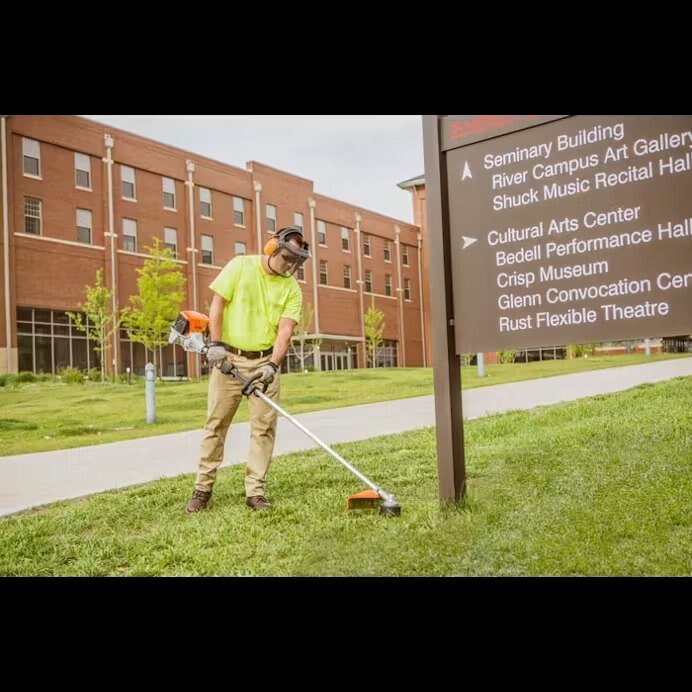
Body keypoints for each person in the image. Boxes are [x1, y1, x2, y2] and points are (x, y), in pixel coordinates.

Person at [186, 227, 309, 513]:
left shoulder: (292, 288)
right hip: (228, 355)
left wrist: (272, 367)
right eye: (287, 258)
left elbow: (285, 332)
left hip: (265, 363)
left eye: (296, 261)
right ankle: (202, 488)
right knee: (216, 424)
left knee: (264, 428)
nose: (290, 265)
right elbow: (217, 306)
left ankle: (255, 491)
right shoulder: (240, 266)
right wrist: (215, 345)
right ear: (271, 249)